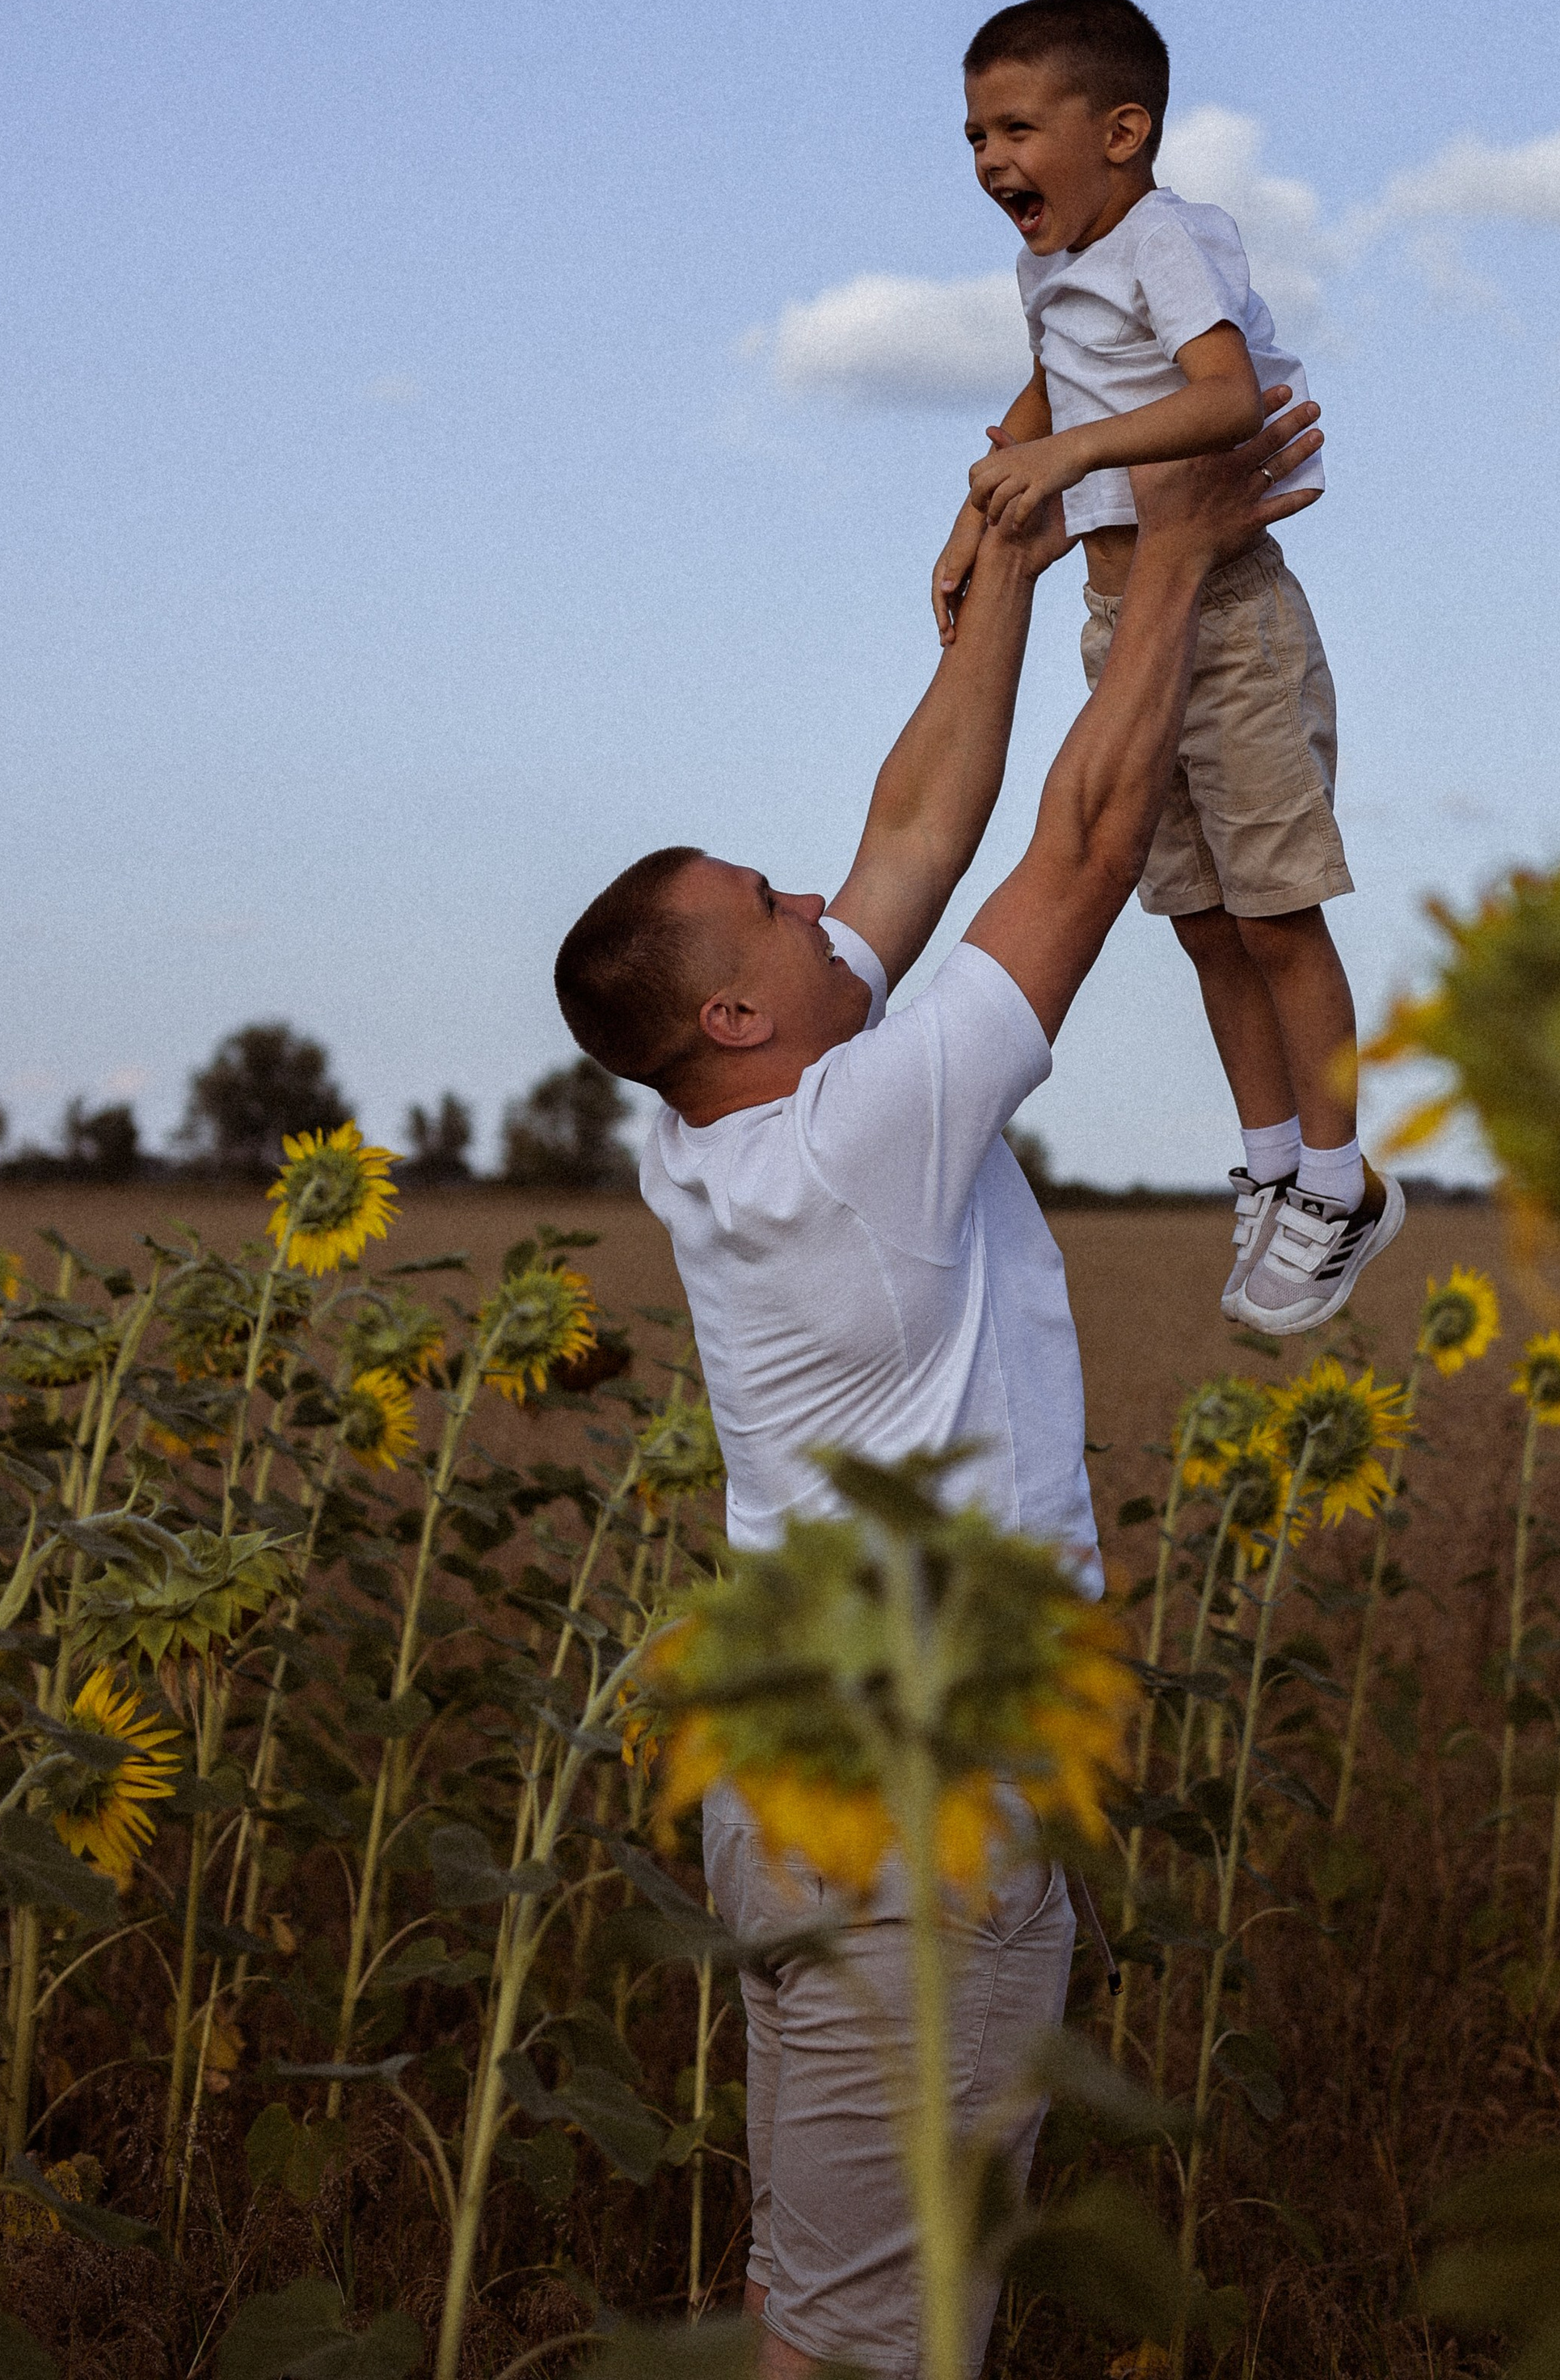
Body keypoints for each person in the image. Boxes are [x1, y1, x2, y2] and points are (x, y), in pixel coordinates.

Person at [553, 403, 1320, 2379]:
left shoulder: (718, 1132)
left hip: (801, 1773)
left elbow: (916, 829)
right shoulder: (861, 1140)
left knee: (821, 2277)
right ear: (734, 1008)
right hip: (916, 1797)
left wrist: (1023, 545)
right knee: (877, 2336)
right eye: (776, 909)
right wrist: (1175, 557)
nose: (825, 898)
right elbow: (1069, 845)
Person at [930, 0, 1402, 1337]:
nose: (986, 159)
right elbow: (1047, 390)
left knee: (1273, 909)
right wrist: (978, 516)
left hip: (1234, 620)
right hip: (1119, 621)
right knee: (1196, 914)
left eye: (1015, 125)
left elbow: (1224, 393)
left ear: (1123, 130)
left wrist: (1068, 459)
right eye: (971, 134)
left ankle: (1339, 1177)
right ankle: (1268, 1163)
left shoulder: (1168, 240)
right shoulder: (1050, 267)